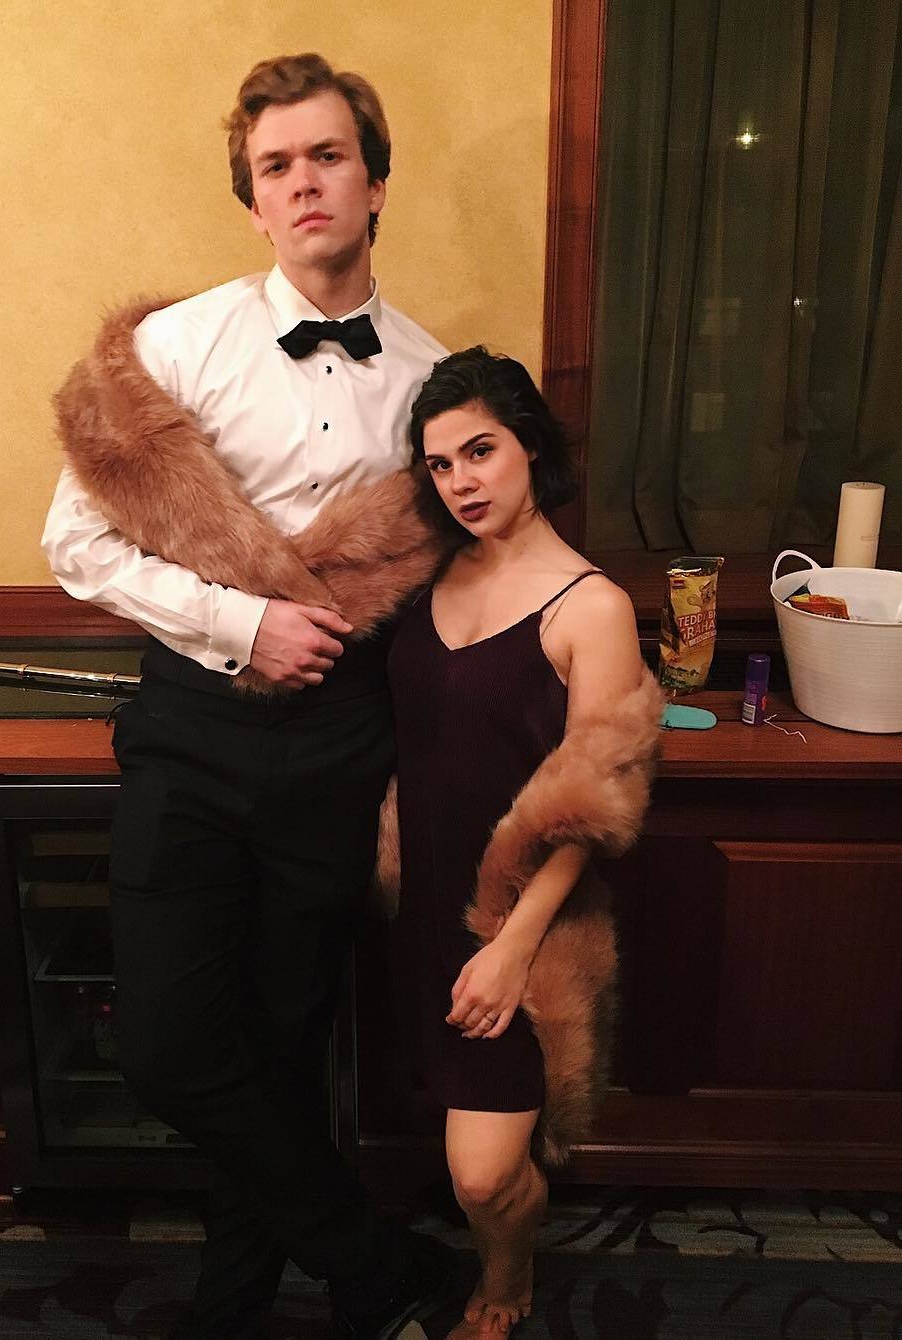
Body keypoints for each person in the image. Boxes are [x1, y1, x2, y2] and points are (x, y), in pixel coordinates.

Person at [42, 53, 456, 1340]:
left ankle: (235, 1309)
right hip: (194, 730)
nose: (304, 181)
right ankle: (374, 1256)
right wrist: (242, 624)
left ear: (374, 182)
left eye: (328, 155)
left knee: (282, 1047)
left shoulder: (437, 382)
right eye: (277, 165)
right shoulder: (174, 347)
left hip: (342, 742)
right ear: (254, 199)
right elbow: (75, 546)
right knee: (170, 1046)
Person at [387, 347, 662, 1337]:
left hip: (517, 920)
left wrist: (511, 945)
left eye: (481, 451)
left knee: (483, 1171)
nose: (461, 480)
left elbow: (597, 805)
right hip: (413, 899)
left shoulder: (592, 606)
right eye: (440, 463)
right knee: (434, 1125)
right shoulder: (424, 574)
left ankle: (508, 1278)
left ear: (531, 447)